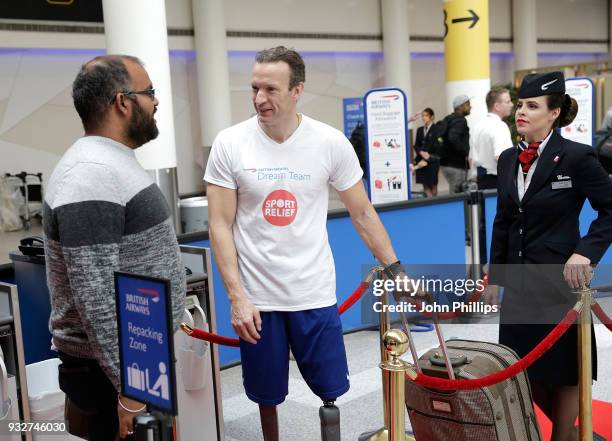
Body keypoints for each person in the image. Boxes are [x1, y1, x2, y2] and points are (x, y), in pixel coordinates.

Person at [204, 46, 408, 441]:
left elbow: (363, 214)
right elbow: (219, 225)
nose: (260, 98)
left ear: (297, 90)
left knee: (330, 390)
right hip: (258, 298)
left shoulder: (329, 143)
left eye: (271, 89)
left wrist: (396, 268)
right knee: (267, 393)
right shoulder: (230, 143)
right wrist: (237, 296)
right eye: (254, 88)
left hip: (313, 291)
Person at [43, 55, 186, 440]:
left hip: (134, 359)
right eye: (150, 93)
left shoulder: (109, 163)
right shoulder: (91, 174)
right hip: (114, 372)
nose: (156, 103)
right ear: (123, 102)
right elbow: (97, 298)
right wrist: (130, 391)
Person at [487, 71, 612, 441]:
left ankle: (562, 436)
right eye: (520, 105)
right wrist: (497, 276)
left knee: (565, 369)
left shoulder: (577, 157)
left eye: (532, 106)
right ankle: (571, 433)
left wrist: (584, 254)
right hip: (520, 286)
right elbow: (504, 221)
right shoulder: (509, 159)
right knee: (517, 368)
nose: (521, 112)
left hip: (561, 284)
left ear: (554, 113)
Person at [469, 87, 514, 189]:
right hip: (497, 182)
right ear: (497, 106)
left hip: (481, 181)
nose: (511, 104)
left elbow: (471, 158)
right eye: (508, 102)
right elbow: (501, 157)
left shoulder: (477, 126)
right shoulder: (499, 126)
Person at [439, 95, 471, 193]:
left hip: (445, 163)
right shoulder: (460, 120)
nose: (470, 107)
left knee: (455, 193)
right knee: (457, 196)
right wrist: (465, 151)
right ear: (460, 107)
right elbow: (453, 138)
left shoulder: (448, 119)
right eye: (467, 104)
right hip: (456, 165)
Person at [412, 108, 439, 197]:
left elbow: (438, 145)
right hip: (421, 159)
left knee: (433, 183)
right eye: (423, 116)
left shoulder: (436, 129)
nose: (424, 118)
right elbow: (416, 145)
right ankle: (430, 202)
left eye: (426, 115)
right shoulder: (420, 129)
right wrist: (420, 152)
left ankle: (435, 202)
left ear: (432, 117)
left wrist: (428, 154)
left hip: (432, 160)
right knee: (425, 184)